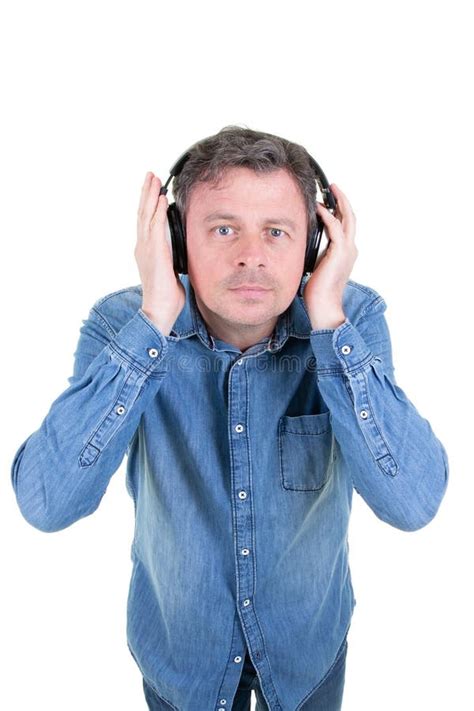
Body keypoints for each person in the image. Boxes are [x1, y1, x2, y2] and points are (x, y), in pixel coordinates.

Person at [10, 126, 449, 711]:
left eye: (276, 232)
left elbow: (413, 503)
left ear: (314, 245)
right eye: (223, 229)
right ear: (175, 240)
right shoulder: (125, 325)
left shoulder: (351, 321)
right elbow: (47, 503)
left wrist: (328, 323)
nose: (251, 255)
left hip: (306, 658)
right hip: (180, 661)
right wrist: (153, 323)